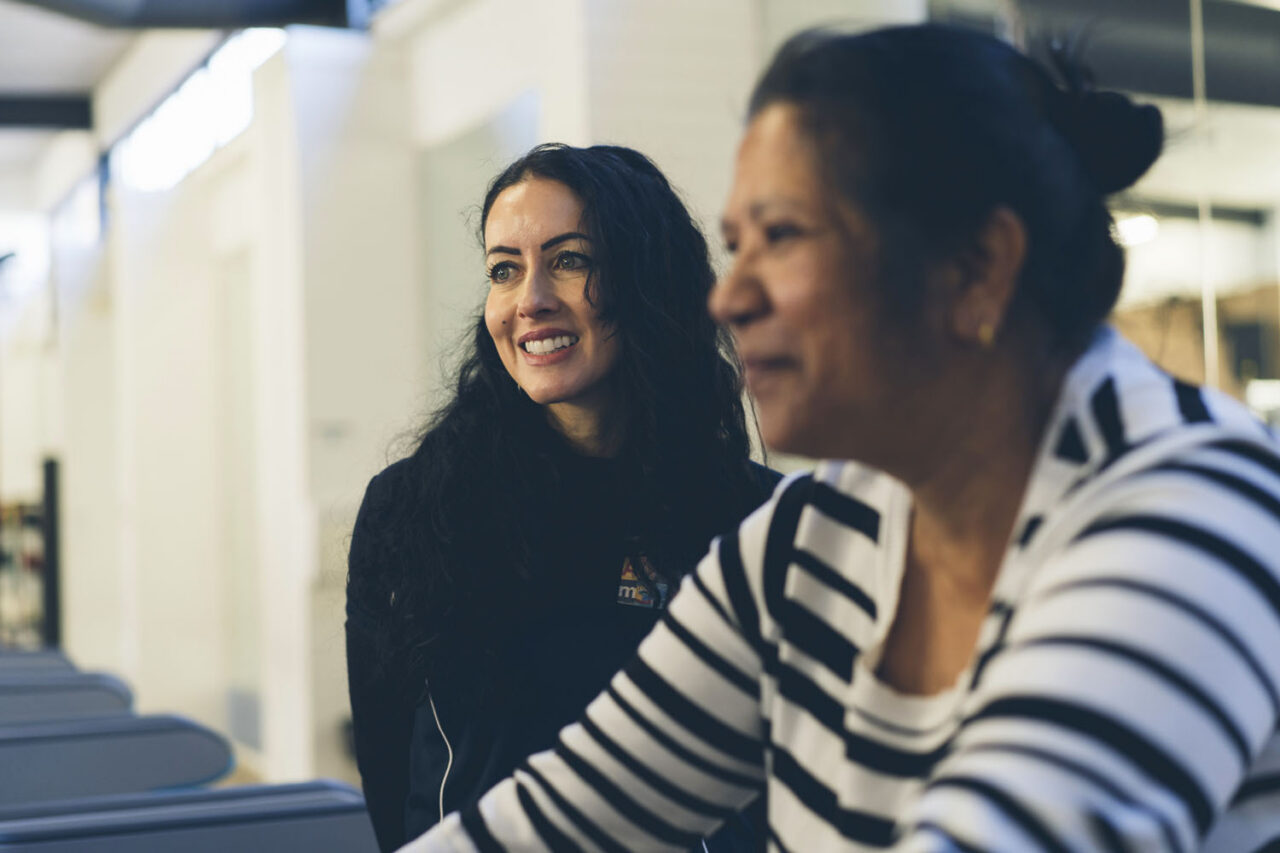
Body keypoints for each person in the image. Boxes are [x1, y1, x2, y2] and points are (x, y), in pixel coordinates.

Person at [403, 24, 1280, 853]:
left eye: (783, 237)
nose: (729, 299)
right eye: (739, 245)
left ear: (976, 269)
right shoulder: (816, 534)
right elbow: (562, 817)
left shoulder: (1192, 504)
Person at [345, 143, 776, 852]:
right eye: (504, 270)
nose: (530, 300)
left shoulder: (756, 518)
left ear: (649, 279)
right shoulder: (415, 511)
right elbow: (389, 775)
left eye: (570, 260)